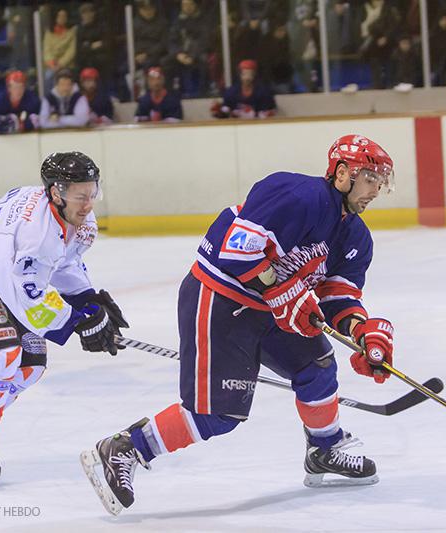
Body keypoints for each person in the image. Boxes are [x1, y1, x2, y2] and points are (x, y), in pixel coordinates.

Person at [81, 134, 398, 515]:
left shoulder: (356, 237)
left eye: (381, 182)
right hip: (221, 296)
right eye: (369, 179)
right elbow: (237, 250)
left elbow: (337, 299)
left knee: (316, 366)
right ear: (343, 174)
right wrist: (282, 290)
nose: (375, 190)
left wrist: (362, 331)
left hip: (270, 309)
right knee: (218, 414)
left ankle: (324, 449)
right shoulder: (297, 194)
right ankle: (126, 448)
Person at [0, 152, 129, 490]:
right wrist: (75, 322)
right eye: (81, 196)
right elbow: (24, 297)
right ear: (56, 193)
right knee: (1, 358)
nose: (89, 204)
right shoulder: (31, 231)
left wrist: (87, 300)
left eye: (92, 193)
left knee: (30, 365)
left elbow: (62, 263)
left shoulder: (73, 217)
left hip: (1, 282)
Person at [43, 8, 77, 90]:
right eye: (60, 16)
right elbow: (46, 50)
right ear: (55, 17)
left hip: (66, 65)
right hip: (52, 65)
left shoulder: (72, 31)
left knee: (64, 79)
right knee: (48, 76)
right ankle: (49, 97)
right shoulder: (49, 32)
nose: (62, 18)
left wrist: (60, 64)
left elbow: (71, 51)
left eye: (64, 16)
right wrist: (52, 64)